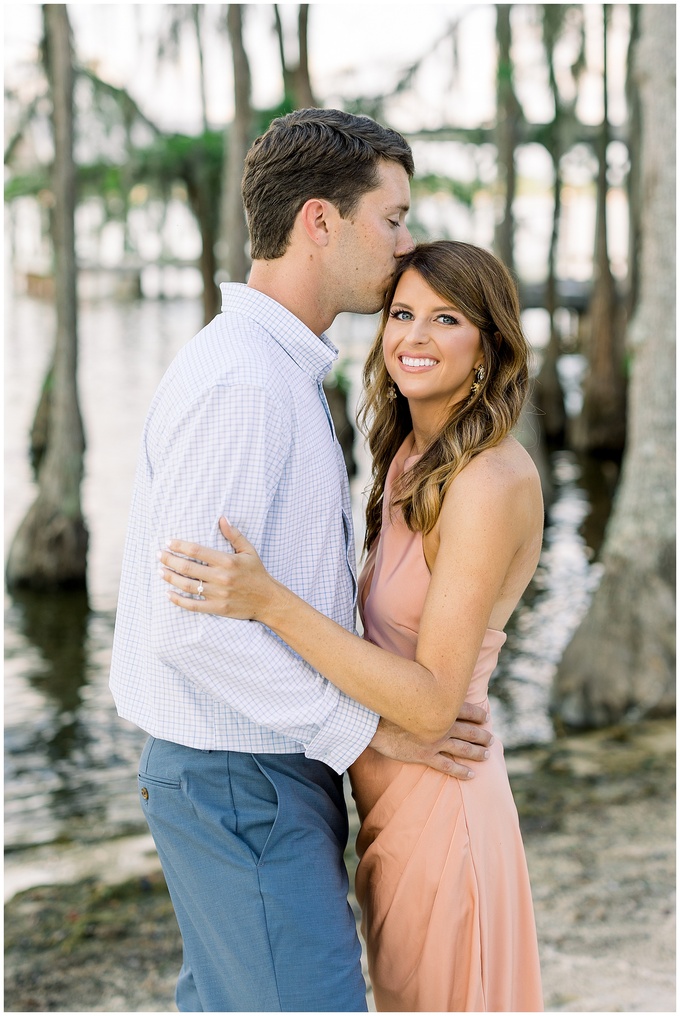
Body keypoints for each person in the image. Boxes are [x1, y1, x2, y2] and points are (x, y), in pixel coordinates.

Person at [109, 109, 494, 1013]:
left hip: (257, 774)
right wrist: (366, 733)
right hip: (240, 779)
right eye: (392, 219)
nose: (406, 247)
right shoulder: (243, 382)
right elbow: (186, 630)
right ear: (321, 221)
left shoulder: (277, 369)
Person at [159, 239, 545, 1012]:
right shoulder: (408, 457)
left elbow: (434, 702)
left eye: (447, 319)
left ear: (489, 349)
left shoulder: (488, 482)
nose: (415, 337)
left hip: (444, 806)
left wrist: (267, 600)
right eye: (403, 313)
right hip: (386, 806)